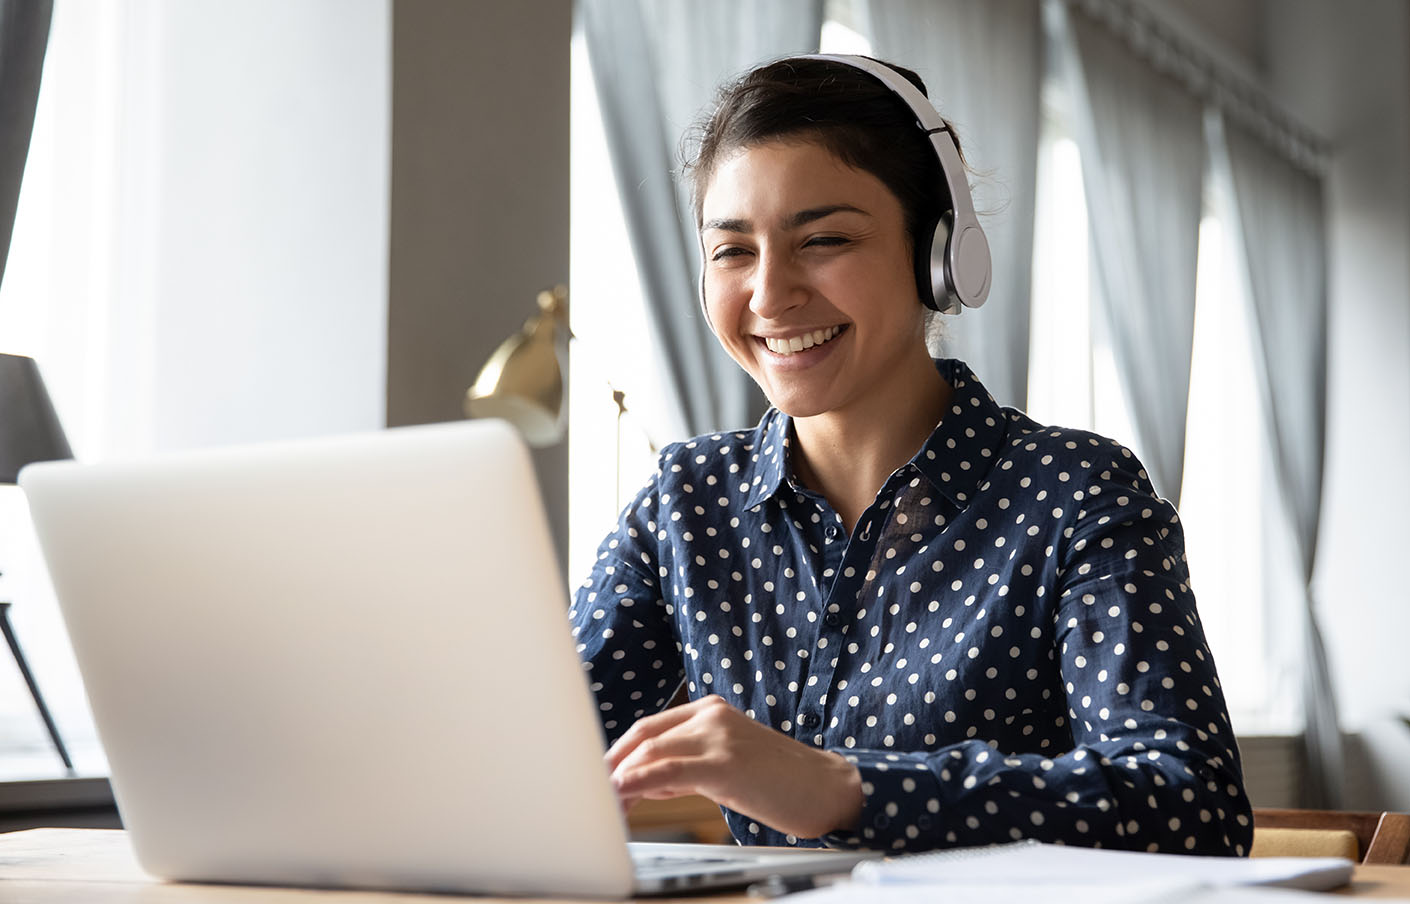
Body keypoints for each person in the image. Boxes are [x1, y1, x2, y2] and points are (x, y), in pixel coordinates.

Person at [569, 54, 1252, 855]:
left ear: (939, 255)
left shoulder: (1076, 494)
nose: (769, 294)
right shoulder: (686, 502)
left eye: (823, 239)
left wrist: (843, 788)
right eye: (732, 251)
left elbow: (1192, 805)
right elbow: (540, 757)